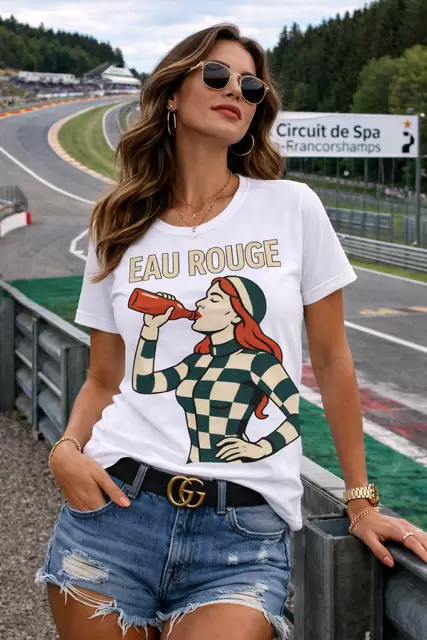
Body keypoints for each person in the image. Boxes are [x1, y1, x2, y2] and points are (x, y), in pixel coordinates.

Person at [36, 23, 427, 640]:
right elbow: (105, 379)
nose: (236, 91)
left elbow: (332, 360)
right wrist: (65, 450)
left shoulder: (292, 207)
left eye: (251, 86)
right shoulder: (118, 223)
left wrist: (360, 500)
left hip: (241, 535)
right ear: (172, 93)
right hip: (116, 511)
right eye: (217, 75)